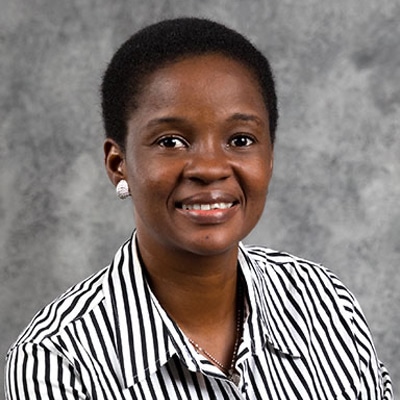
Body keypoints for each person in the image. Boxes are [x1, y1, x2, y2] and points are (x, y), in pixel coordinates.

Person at [5, 17, 393, 399]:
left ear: (270, 157)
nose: (210, 168)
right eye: (171, 141)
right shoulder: (56, 363)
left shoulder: (325, 304)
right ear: (117, 163)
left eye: (241, 140)